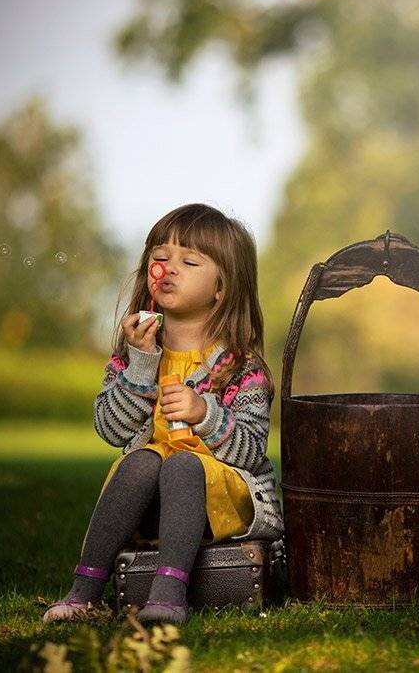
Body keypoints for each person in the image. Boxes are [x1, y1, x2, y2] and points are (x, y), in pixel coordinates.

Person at [43, 203, 283, 625]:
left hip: (227, 508)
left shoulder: (241, 368)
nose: (168, 268)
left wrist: (204, 413)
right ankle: (83, 593)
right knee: (139, 461)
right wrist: (141, 365)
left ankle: (169, 594)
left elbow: (250, 453)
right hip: (155, 505)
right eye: (159, 258)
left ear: (220, 289)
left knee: (184, 466)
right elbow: (111, 430)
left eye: (189, 261)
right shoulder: (133, 356)